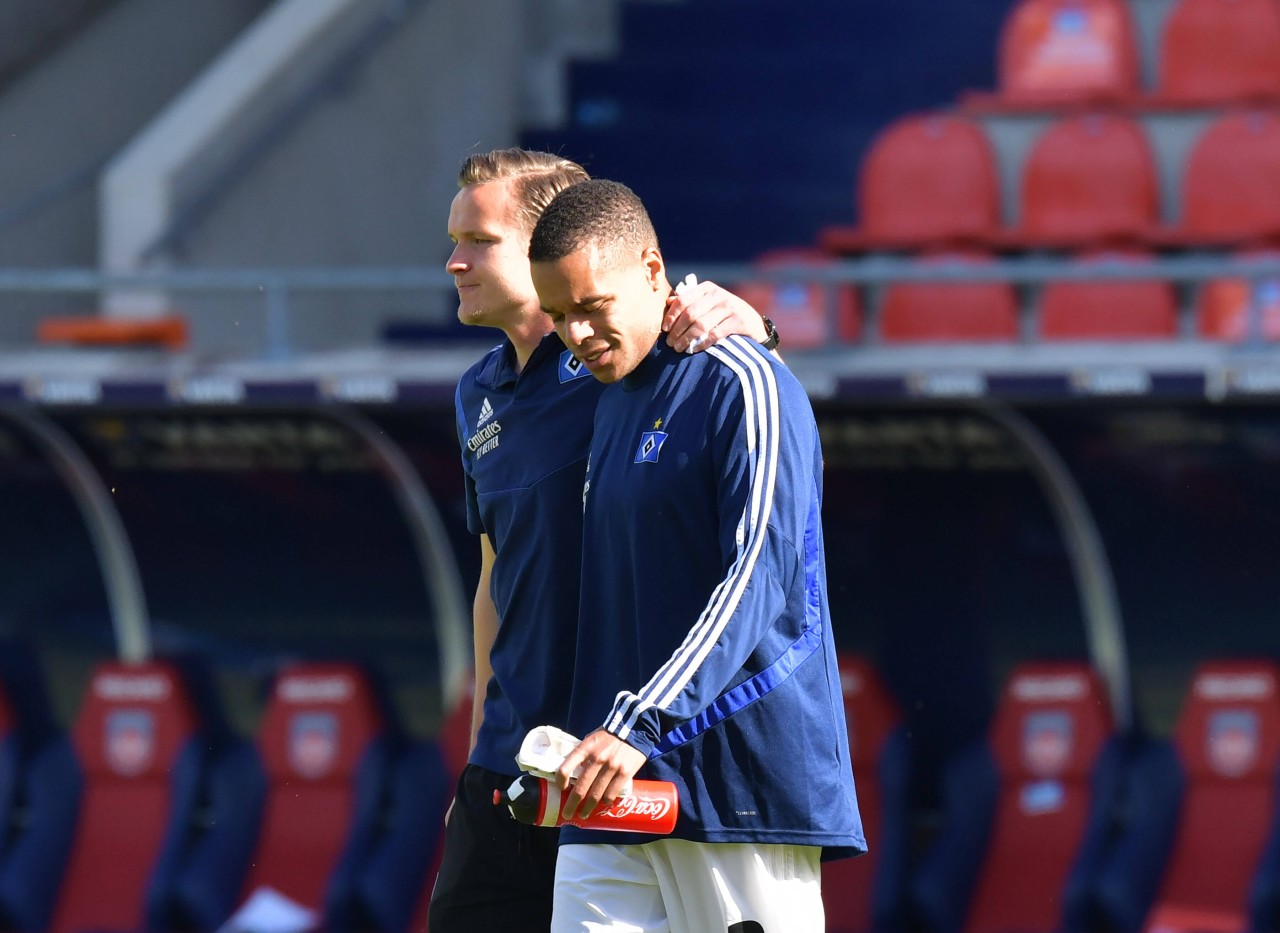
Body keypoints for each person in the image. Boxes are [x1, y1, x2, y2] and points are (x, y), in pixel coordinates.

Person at [430, 149, 774, 933]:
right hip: (508, 768)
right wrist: (482, 746)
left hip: (621, 761)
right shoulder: (475, 392)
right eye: (454, 240)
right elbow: (495, 574)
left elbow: (740, 411)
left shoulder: (628, 362)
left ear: (545, 247)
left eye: (479, 241)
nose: (455, 261)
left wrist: (759, 330)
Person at [528, 178, 864, 933]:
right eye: (559, 315)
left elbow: (757, 578)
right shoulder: (607, 396)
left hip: (735, 787)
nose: (576, 334)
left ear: (653, 271)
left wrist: (638, 721)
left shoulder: (744, 380)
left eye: (591, 307)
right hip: (613, 789)